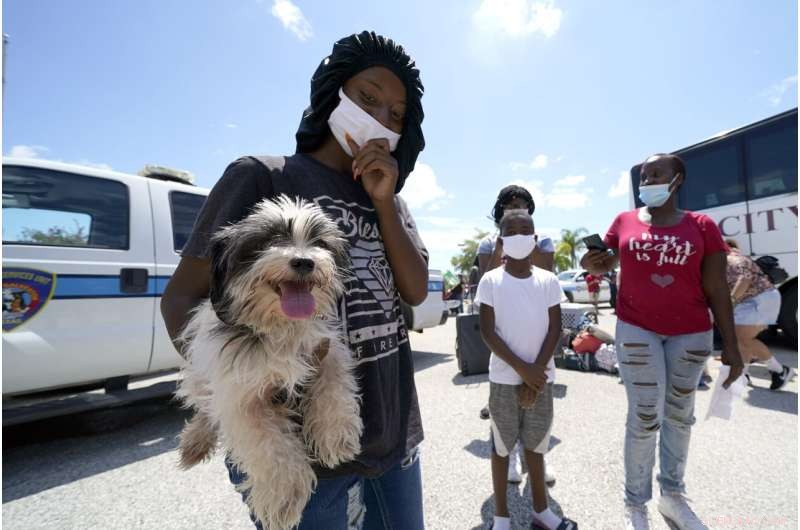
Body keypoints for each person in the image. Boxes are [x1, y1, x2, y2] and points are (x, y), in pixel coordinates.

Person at [161, 31, 428, 530]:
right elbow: (181, 297)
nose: (380, 118)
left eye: (396, 114)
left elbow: (414, 291)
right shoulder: (262, 176)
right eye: (367, 98)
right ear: (333, 95)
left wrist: (385, 200)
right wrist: (233, 392)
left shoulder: (392, 200)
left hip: (393, 438)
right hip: (295, 453)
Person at [582, 153, 743, 530]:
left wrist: (732, 346)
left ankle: (672, 497)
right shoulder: (623, 221)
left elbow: (717, 287)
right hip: (637, 328)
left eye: (656, 173)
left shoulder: (702, 225)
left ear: (677, 180)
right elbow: (599, 260)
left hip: (690, 333)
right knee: (644, 414)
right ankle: (635, 504)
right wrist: (594, 263)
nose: (647, 180)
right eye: (643, 175)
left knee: (679, 416)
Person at [475, 210, 576, 530]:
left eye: (527, 229)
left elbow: (555, 328)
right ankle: (501, 517)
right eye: (512, 230)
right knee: (501, 446)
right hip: (504, 379)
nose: (520, 234)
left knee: (536, 445)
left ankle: (541, 511)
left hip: (542, 378)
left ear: (535, 239)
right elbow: (488, 333)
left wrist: (537, 374)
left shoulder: (548, 280)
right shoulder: (491, 280)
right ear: (502, 241)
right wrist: (524, 371)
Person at [476, 184, 556, 486]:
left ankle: (534, 458)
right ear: (500, 211)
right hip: (503, 335)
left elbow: (545, 270)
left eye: (523, 205)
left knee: (536, 412)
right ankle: (507, 457)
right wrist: (503, 242)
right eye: (510, 206)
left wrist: (527, 240)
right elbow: (488, 277)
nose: (517, 209)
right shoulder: (488, 243)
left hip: (535, 334)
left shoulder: (543, 239)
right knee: (504, 406)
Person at [725, 239, 794, 390]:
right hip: (750, 301)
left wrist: (730, 302)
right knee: (741, 339)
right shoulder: (727, 260)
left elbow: (745, 279)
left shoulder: (731, 259)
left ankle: (780, 370)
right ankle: (743, 374)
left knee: (743, 338)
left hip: (760, 298)